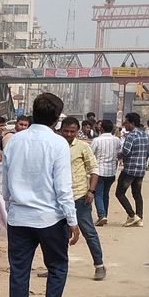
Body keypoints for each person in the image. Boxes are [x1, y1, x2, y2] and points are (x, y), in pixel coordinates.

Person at [1, 93, 79, 297]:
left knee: (19, 271)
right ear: (57, 119)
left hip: (19, 217)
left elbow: (5, 181)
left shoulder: (14, 141)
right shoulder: (58, 144)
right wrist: (72, 220)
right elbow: (63, 188)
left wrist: (10, 204)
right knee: (57, 267)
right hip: (49, 217)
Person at [59, 115, 105, 280]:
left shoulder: (83, 147)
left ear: (77, 131)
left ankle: (99, 265)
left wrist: (91, 191)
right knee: (59, 235)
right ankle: (57, 267)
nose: (69, 134)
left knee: (89, 232)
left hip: (79, 196)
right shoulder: (55, 145)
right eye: (66, 131)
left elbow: (94, 169)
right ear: (61, 130)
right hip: (59, 198)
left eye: (72, 131)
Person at [115, 112, 149, 225]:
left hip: (130, 169)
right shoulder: (145, 135)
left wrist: (118, 155)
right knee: (137, 194)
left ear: (132, 123)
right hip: (141, 169)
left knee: (119, 193)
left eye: (126, 123)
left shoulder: (131, 136)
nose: (125, 125)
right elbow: (148, 150)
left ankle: (131, 215)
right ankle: (140, 217)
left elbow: (125, 151)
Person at [89, 119, 121, 224]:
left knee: (98, 194)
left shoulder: (97, 140)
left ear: (101, 128)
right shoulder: (116, 140)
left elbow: (90, 155)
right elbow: (119, 152)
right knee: (105, 194)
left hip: (99, 171)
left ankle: (102, 215)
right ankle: (104, 214)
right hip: (111, 171)